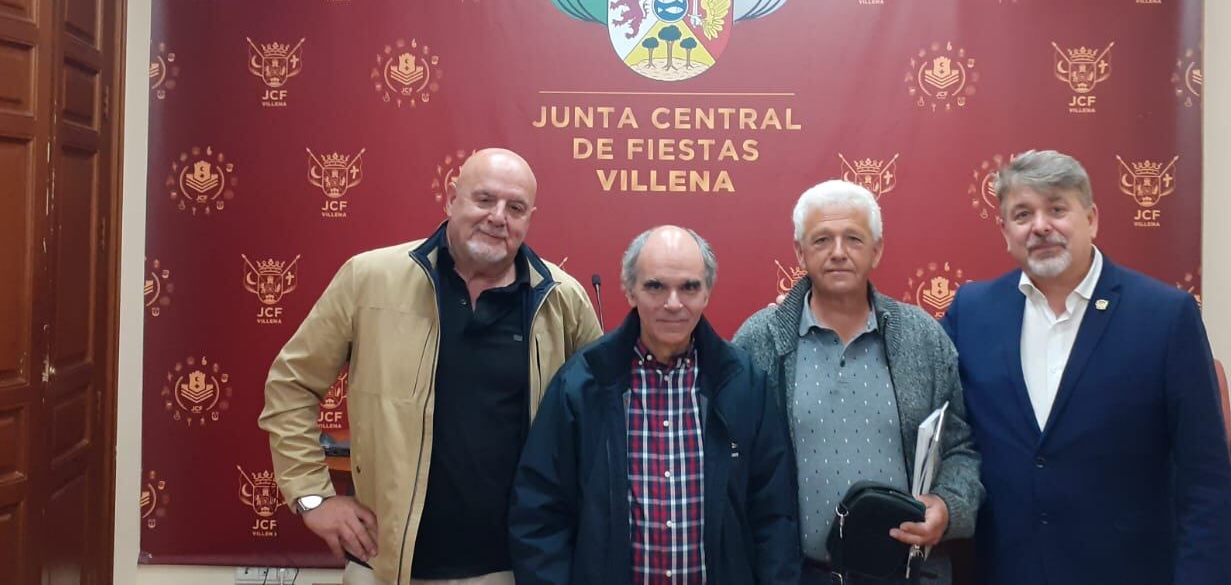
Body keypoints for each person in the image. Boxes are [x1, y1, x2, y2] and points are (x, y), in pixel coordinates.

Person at [259, 148, 603, 585]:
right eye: (484, 200)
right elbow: (291, 386)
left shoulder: (562, 299)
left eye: (515, 208)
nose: (498, 217)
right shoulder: (368, 279)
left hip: (514, 571)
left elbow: (603, 421)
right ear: (451, 198)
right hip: (386, 566)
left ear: (529, 218)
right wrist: (311, 497)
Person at [939, 149, 1231, 583]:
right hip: (1008, 568)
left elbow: (1205, 479)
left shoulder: (1166, 316)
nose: (1040, 226)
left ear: (1091, 218)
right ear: (1005, 231)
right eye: (1023, 214)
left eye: (1057, 208)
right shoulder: (972, 312)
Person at [509, 226, 801, 584]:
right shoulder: (582, 384)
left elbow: (774, 516)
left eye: (689, 287)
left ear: (707, 292)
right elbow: (540, 514)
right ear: (630, 290)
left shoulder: (743, 384)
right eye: (655, 286)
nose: (673, 303)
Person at [733, 180, 984, 584]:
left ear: (877, 249)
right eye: (821, 240)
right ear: (799, 252)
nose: (837, 252)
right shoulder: (760, 340)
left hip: (910, 575)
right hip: (798, 576)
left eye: (853, 238)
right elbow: (735, 461)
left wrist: (948, 505)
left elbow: (959, 446)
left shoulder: (923, 336)